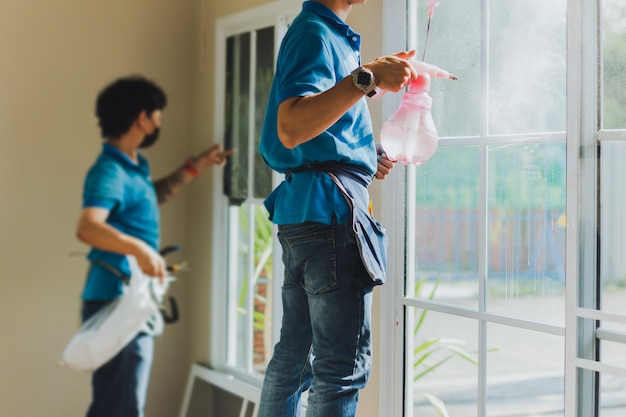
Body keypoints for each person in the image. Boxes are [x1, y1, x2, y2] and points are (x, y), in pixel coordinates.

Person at [257, 1, 419, 416]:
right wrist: (367, 78)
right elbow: (291, 127)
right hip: (329, 215)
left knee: (294, 357)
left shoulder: (325, 33)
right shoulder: (314, 33)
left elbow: (315, 131)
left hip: (308, 210)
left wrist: (365, 154)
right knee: (340, 369)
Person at [75, 75, 234, 417]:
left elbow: (148, 198)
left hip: (127, 300)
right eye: (157, 112)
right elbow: (88, 227)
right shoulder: (109, 172)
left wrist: (195, 166)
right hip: (116, 302)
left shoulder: (133, 166)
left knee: (114, 406)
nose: (160, 119)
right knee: (121, 408)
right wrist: (140, 249)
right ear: (141, 118)